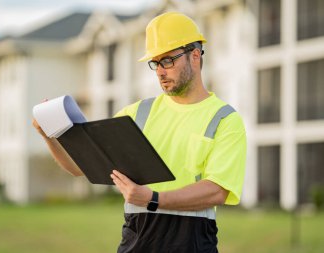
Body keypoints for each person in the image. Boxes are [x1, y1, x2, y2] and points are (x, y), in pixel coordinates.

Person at [33, 11, 246, 253]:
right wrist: (49, 135)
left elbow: (217, 190)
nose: (160, 72)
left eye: (168, 61)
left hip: (192, 243)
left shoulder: (225, 120)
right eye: (155, 63)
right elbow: (79, 167)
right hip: (136, 242)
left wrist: (153, 198)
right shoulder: (136, 114)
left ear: (195, 56)